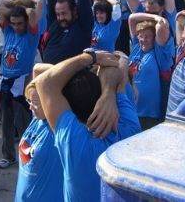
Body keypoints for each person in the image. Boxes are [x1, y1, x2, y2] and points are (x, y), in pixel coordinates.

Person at [35, 51, 141, 202]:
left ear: (69, 109)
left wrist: (90, 57)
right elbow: (120, 60)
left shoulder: (73, 142)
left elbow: (44, 82)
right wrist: (108, 92)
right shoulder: (129, 126)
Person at [0, 0, 43, 169]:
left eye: (19, 23)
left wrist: (21, 4)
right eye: (13, 23)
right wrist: (16, 6)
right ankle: (8, 156)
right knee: (5, 121)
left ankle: (28, 155)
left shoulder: (31, 35)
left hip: (22, 81)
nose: (16, 27)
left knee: (24, 122)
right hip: (5, 80)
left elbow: (33, 9)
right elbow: (0, 6)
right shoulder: (8, 31)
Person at [14, 66, 64, 202]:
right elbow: (37, 69)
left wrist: (87, 62)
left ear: (50, 103)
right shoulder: (37, 118)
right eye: (29, 101)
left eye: (35, 103)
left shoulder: (58, 128)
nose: (30, 107)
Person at [128, 13, 173, 130]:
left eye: (147, 36)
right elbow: (131, 19)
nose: (143, 40)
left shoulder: (159, 53)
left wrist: (157, 19)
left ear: (154, 38)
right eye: (141, 36)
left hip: (149, 115)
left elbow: (161, 26)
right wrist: (153, 17)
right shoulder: (137, 48)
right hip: (132, 110)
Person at [42, 0, 94, 64]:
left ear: (74, 11)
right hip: (47, 73)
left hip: (72, 75)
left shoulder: (83, 25)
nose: (61, 17)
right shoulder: (54, 23)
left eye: (64, 13)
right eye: (58, 14)